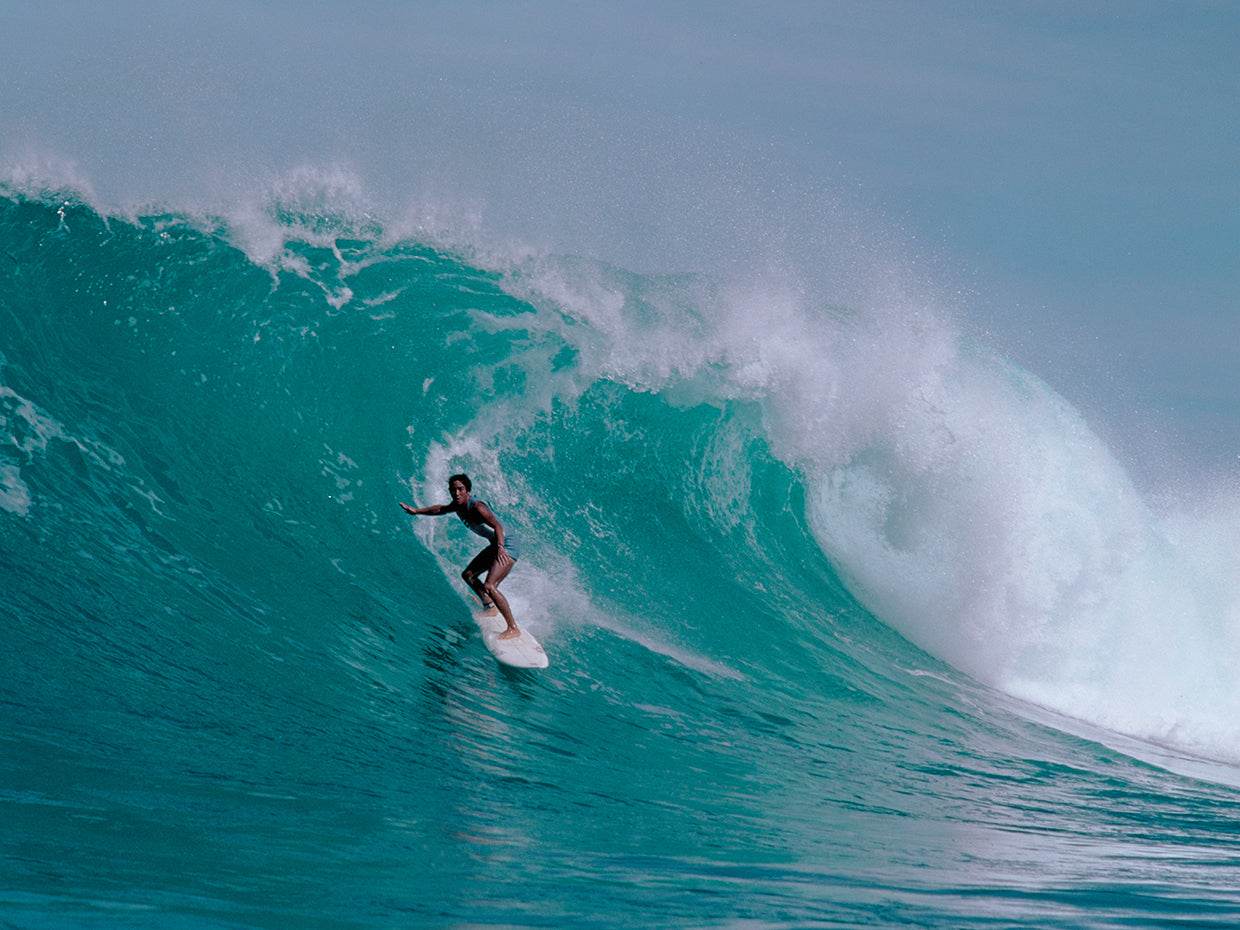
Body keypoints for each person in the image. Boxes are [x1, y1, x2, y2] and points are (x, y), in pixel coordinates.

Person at [400, 474, 522, 639]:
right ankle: (489, 606)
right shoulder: (458, 506)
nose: (456, 493)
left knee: (489, 585)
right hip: (496, 545)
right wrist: (416, 511)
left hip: (507, 545)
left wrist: (500, 548)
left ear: (468, 491)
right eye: (453, 490)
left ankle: (513, 628)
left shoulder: (477, 507)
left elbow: (498, 526)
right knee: (469, 575)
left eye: (460, 489)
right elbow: (440, 509)